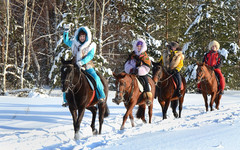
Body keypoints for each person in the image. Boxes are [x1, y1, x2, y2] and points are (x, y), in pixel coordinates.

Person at [62, 26, 105, 106]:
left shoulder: (91, 45)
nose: (82, 38)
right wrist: (66, 32)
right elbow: (66, 41)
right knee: (66, 79)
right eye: (80, 36)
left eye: (83, 36)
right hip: (75, 66)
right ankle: (66, 99)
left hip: (87, 66)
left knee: (96, 78)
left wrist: (82, 62)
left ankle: (101, 96)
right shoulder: (74, 44)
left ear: (87, 37)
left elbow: (90, 56)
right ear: (78, 37)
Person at [124, 38, 152, 104]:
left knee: (145, 81)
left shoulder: (145, 55)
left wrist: (139, 70)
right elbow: (128, 63)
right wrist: (130, 68)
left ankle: (148, 97)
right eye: (138, 46)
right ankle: (121, 95)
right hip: (131, 72)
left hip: (141, 73)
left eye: (140, 46)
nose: (139, 48)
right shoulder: (132, 54)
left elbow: (147, 65)